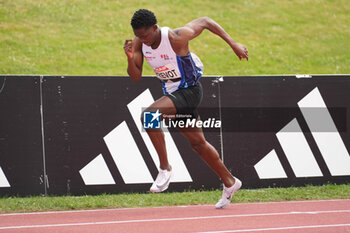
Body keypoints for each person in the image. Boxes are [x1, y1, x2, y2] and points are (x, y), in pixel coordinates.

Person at [124, 9, 248, 209]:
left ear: (155, 28)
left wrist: (233, 43)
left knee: (149, 116)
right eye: (139, 36)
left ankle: (165, 168)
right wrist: (130, 57)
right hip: (173, 93)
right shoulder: (139, 42)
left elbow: (206, 20)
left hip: (189, 90)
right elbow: (135, 77)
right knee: (198, 144)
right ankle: (230, 181)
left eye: (146, 35)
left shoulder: (175, 37)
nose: (143, 40)